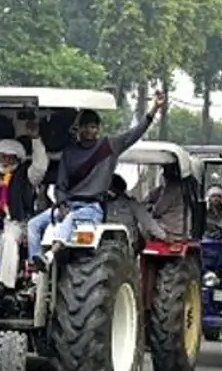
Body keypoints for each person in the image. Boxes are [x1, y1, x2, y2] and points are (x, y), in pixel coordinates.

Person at [26, 93, 165, 266]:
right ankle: (34, 263)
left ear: (98, 129)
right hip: (68, 205)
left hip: (91, 208)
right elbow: (60, 185)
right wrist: (61, 204)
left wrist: (154, 109)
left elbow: (134, 133)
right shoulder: (70, 152)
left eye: (92, 127)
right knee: (33, 224)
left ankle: (50, 256)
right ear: (78, 129)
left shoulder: (109, 146)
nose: (89, 131)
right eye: (85, 127)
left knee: (69, 221)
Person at [0, 123, 48, 286]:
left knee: (9, 239)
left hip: (17, 223)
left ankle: (5, 284)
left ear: (17, 159)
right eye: (2, 156)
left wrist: (35, 139)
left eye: (10, 157)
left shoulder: (25, 175)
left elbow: (40, 167)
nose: (5, 161)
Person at [106, 173, 166, 249]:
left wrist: (162, 235)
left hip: (123, 243)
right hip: (121, 243)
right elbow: (148, 222)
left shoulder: (130, 204)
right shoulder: (101, 204)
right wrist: (164, 236)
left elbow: (148, 222)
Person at [147, 165, 190, 240]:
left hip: (172, 229)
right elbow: (152, 195)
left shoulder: (172, 188)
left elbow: (158, 211)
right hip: (180, 228)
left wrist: (151, 208)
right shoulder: (184, 185)